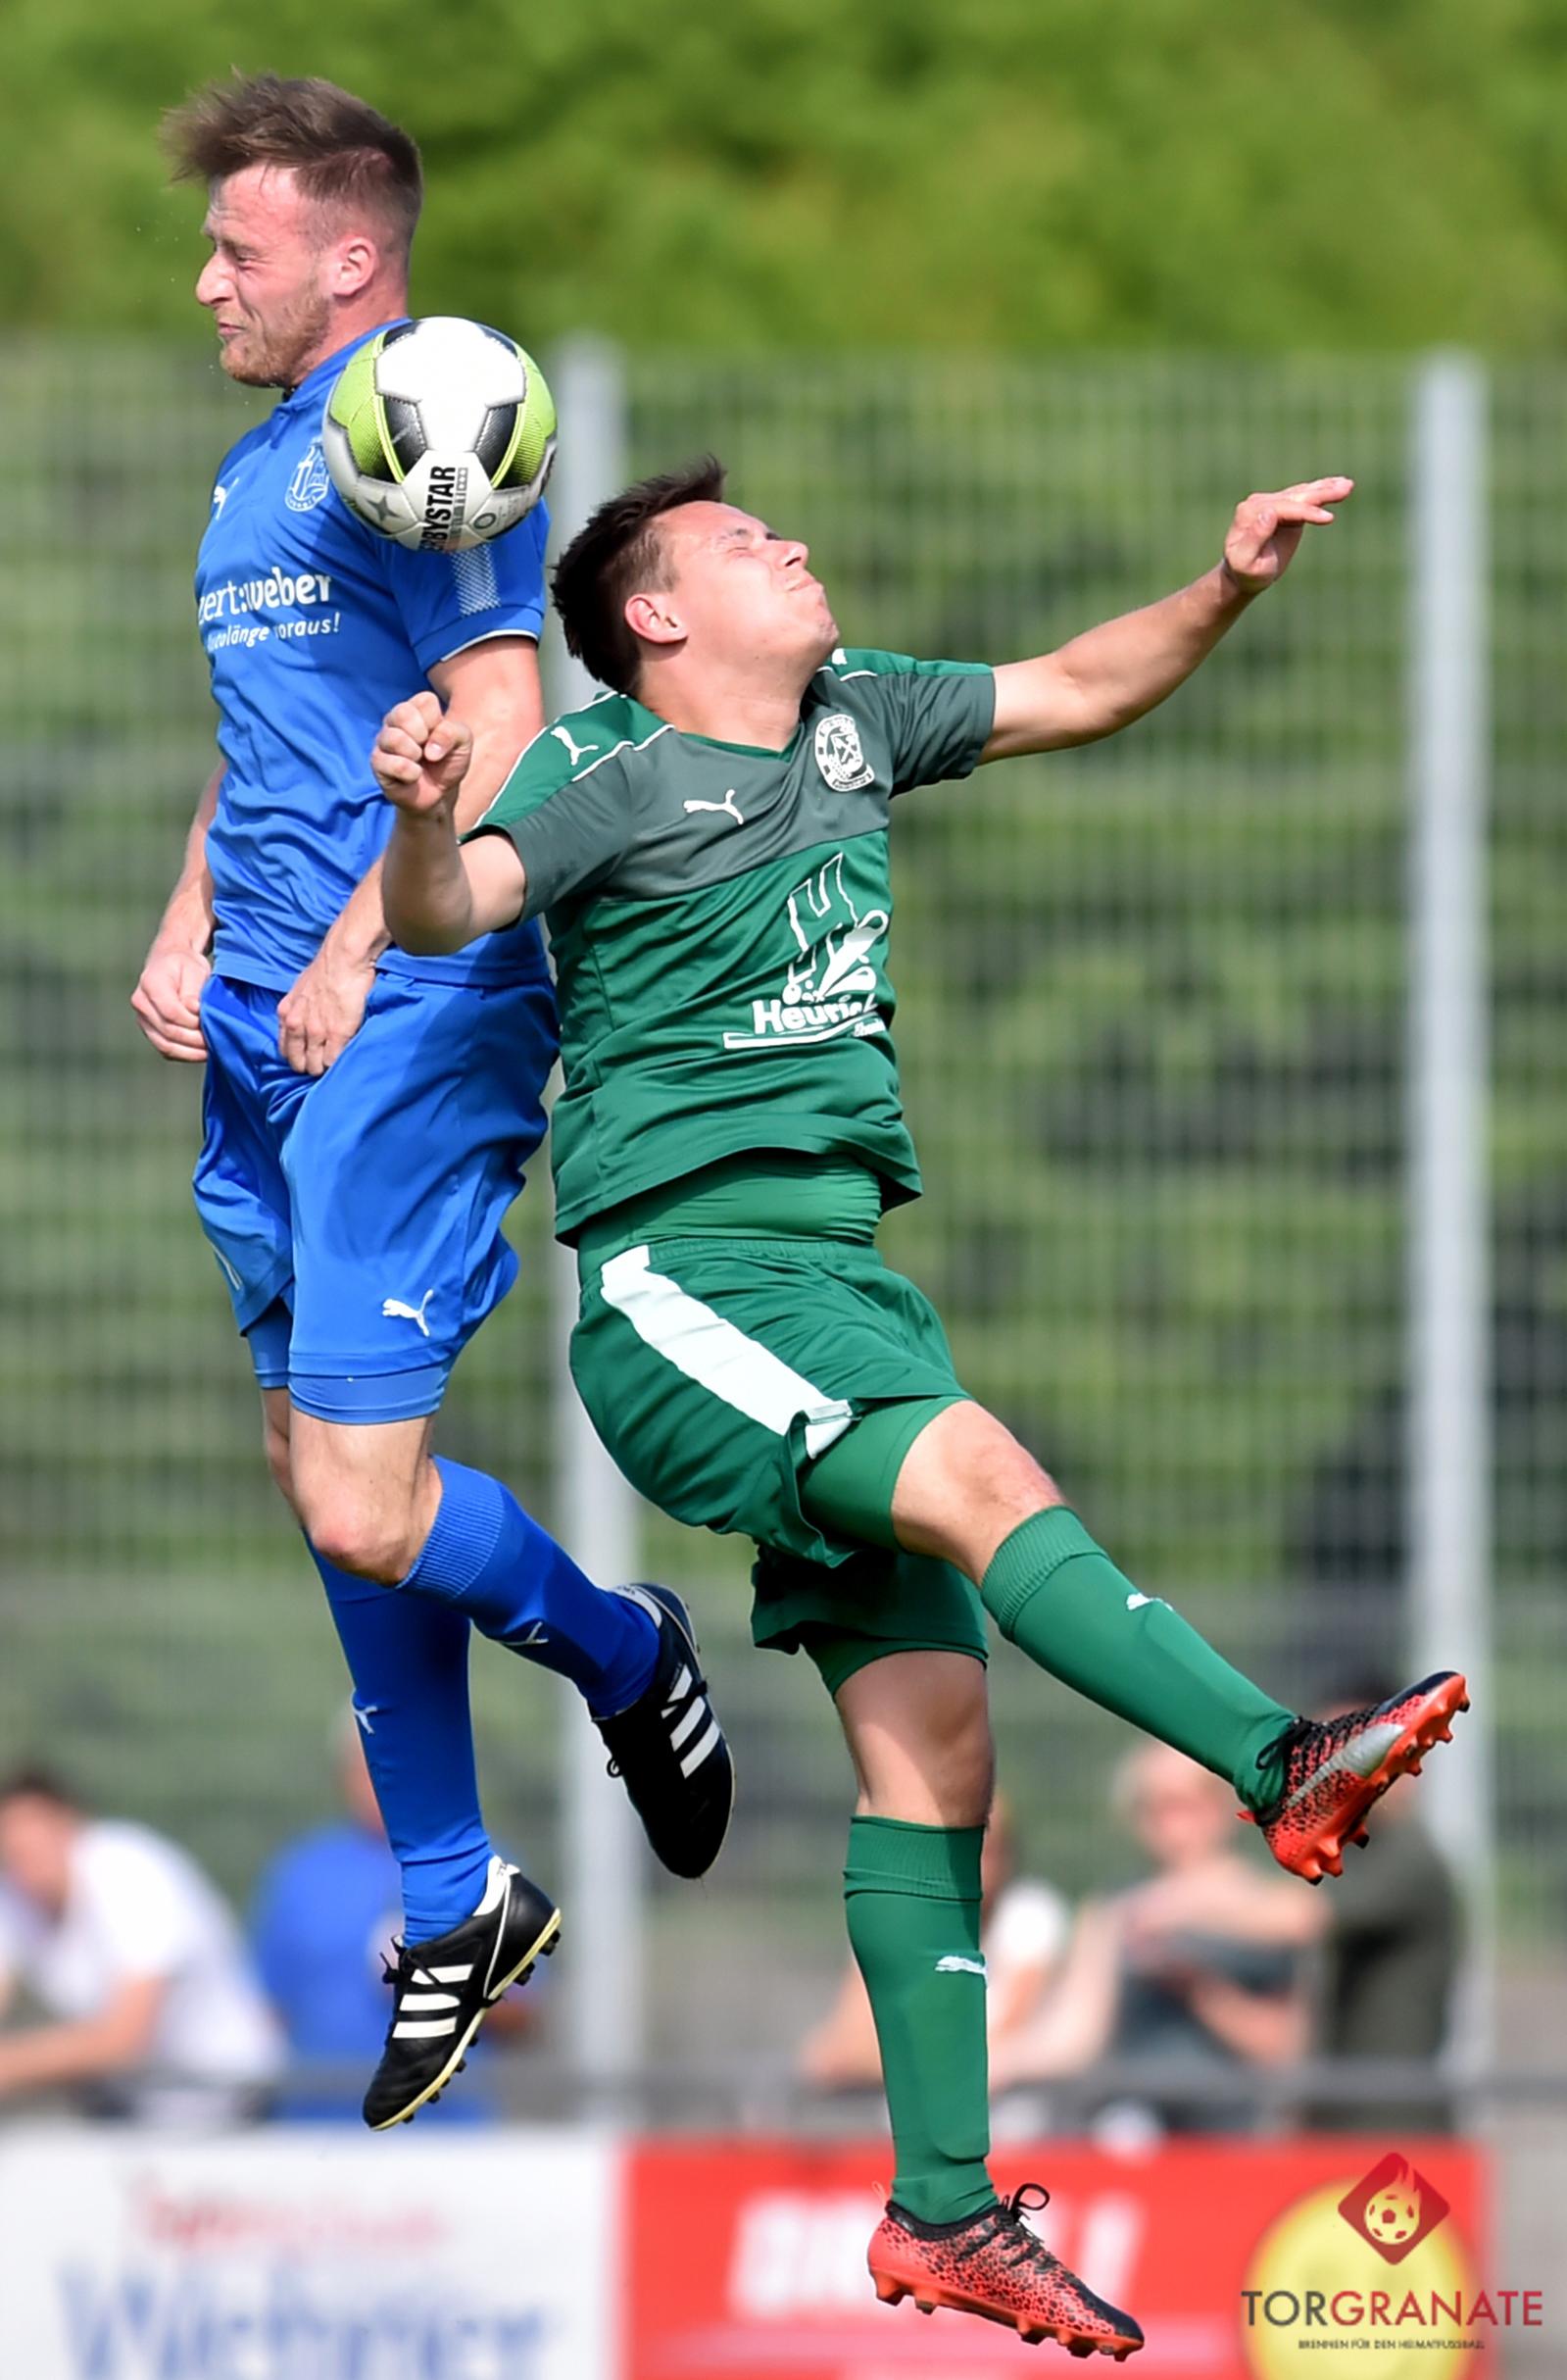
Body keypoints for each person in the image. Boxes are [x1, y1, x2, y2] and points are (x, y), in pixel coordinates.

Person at [369, 454, 1469, 2356]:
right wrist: (413, 815)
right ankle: (1277, 1759)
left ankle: (945, 2210)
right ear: (655, 614)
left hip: (840, 1286)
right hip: (688, 1283)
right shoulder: (602, 768)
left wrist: (1220, 582)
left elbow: (1082, 682)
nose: (789, 544)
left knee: (939, 1760)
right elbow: (447, 909)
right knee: (979, 1472)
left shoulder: (856, 711)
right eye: (743, 543)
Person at [130, 75, 732, 2134]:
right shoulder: (253, 462)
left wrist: (349, 949)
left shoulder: (426, 417)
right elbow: (270, 735)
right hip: (261, 1020)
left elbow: (494, 709)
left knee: (359, 1498)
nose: (207, 280)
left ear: (352, 256)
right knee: (314, 1456)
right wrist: (193, 914)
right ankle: (454, 1887)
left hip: (400, 1001)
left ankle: (624, 1649)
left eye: (237, 248)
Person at [1099, 1679, 1463, 2133]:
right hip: (1338, 2115)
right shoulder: (1352, 1849)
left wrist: (1173, 1903)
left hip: (1392, 2120)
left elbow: (1299, 1917)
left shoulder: (1405, 1855)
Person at [990, 1745, 1307, 2136]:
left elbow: (1292, 2043)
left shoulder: (1282, 1905)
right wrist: (997, 2064)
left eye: (1185, 1804)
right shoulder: (1114, 1910)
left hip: (1240, 2129)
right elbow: (1075, 2034)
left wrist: (1201, 1989)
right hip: (1137, 2125)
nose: (1171, 1824)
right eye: (1154, 1808)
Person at [251, 1710, 543, 2123]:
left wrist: (445, 1976)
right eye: (367, 1765)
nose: (381, 1780)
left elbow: (523, 2016)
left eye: (397, 1761)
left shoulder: (481, 1869)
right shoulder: (300, 1873)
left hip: (447, 2135)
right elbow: (265, 2011)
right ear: (344, 1774)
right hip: (316, 2130)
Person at [0, 1769, 280, 2124]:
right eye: (12, 1851)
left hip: (230, 2100)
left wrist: (12, 2063)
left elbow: (125, 2038)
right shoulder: (15, 1893)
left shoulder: (128, 1872)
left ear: (70, 1826)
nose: (23, 1860)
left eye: (32, 1844)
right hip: (142, 2108)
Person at [800, 1793, 1068, 2093]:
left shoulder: (1029, 1914)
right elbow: (840, 2047)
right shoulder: (891, 1923)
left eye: (987, 1848)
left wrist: (891, 2058)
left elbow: (1002, 2041)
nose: (973, 1861)